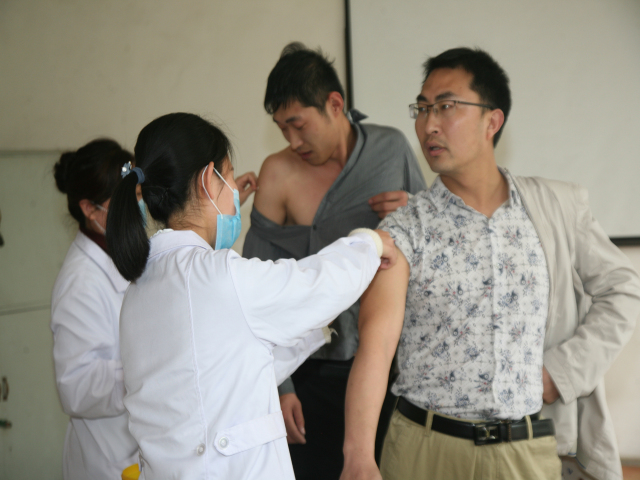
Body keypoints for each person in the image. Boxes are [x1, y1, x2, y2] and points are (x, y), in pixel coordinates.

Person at [340, 47, 640, 480]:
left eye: (446, 106)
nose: (428, 124)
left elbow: (624, 288)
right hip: (424, 451)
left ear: (492, 121)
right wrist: (357, 456)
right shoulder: (405, 229)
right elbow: (376, 346)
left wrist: (563, 371)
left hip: (524, 453)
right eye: (422, 109)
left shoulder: (556, 207)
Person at [104, 112, 397, 480]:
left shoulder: (140, 288)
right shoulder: (218, 276)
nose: (233, 192)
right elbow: (317, 283)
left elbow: (229, 372)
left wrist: (315, 329)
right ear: (208, 180)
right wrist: (369, 242)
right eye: (228, 176)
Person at [242, 42, 426, 479]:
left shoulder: (391, 148)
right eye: (282, 129)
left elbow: (434, 243)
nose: (292, 141)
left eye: (298, 125)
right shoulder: (278, 172)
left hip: (390, 363)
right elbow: (257, 290)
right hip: (311, 370)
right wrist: (280, 386)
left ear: (335, 104)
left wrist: (417, 209)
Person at [51, 139, 139, 480]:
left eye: (138, 196)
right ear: (89, 208)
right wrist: (147, 367)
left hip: (135, 448)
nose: (136, 208)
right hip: (109, 459)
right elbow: (76, 387)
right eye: (124, 201)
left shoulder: (120, 254)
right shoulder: (81, 283)